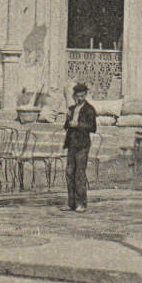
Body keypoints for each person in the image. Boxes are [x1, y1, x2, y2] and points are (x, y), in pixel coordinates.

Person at [63, 82, 98, 212]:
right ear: (73, 96)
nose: (80, 98)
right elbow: (66, 126)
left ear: (85, 96)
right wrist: (68, 119)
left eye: (82, 96)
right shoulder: (72, 109)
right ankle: (70, 203)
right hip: (71, 144)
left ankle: (81, 203)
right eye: (77, 96)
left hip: (82, 144)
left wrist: (78, 124)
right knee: (69, 172)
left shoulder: (89, 109)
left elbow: (93, 127)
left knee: (79, 173)